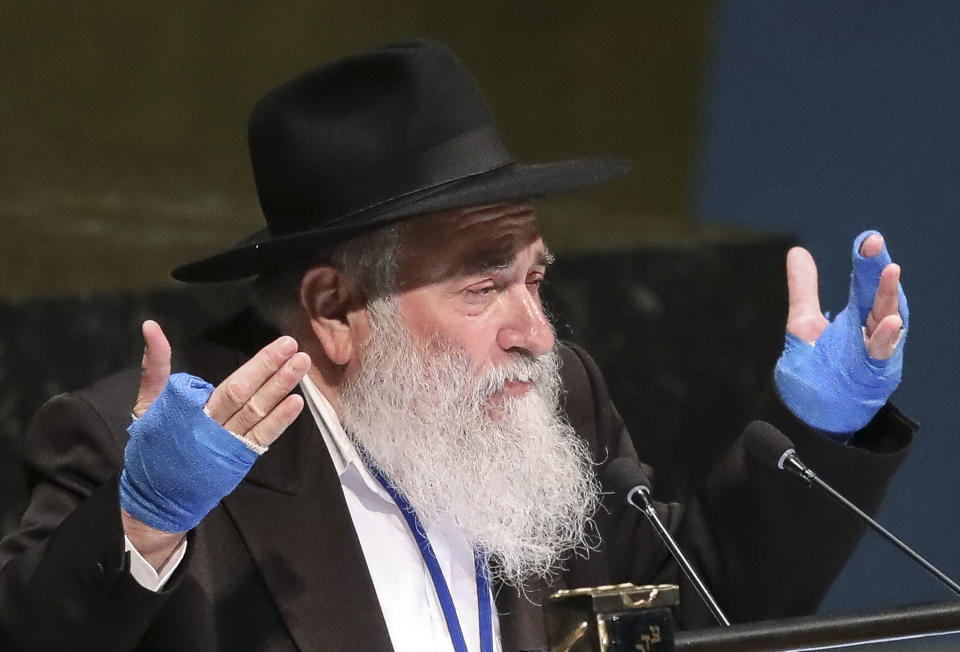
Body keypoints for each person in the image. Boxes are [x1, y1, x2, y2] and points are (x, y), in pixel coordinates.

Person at [0, 40, 913, 652]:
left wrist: (816, 428)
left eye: (536, 279)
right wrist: (144, 523)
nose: (536, 336)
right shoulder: (146, 445)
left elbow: (699, 608)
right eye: (484, 286)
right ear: (335, 306)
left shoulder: (552, 398)